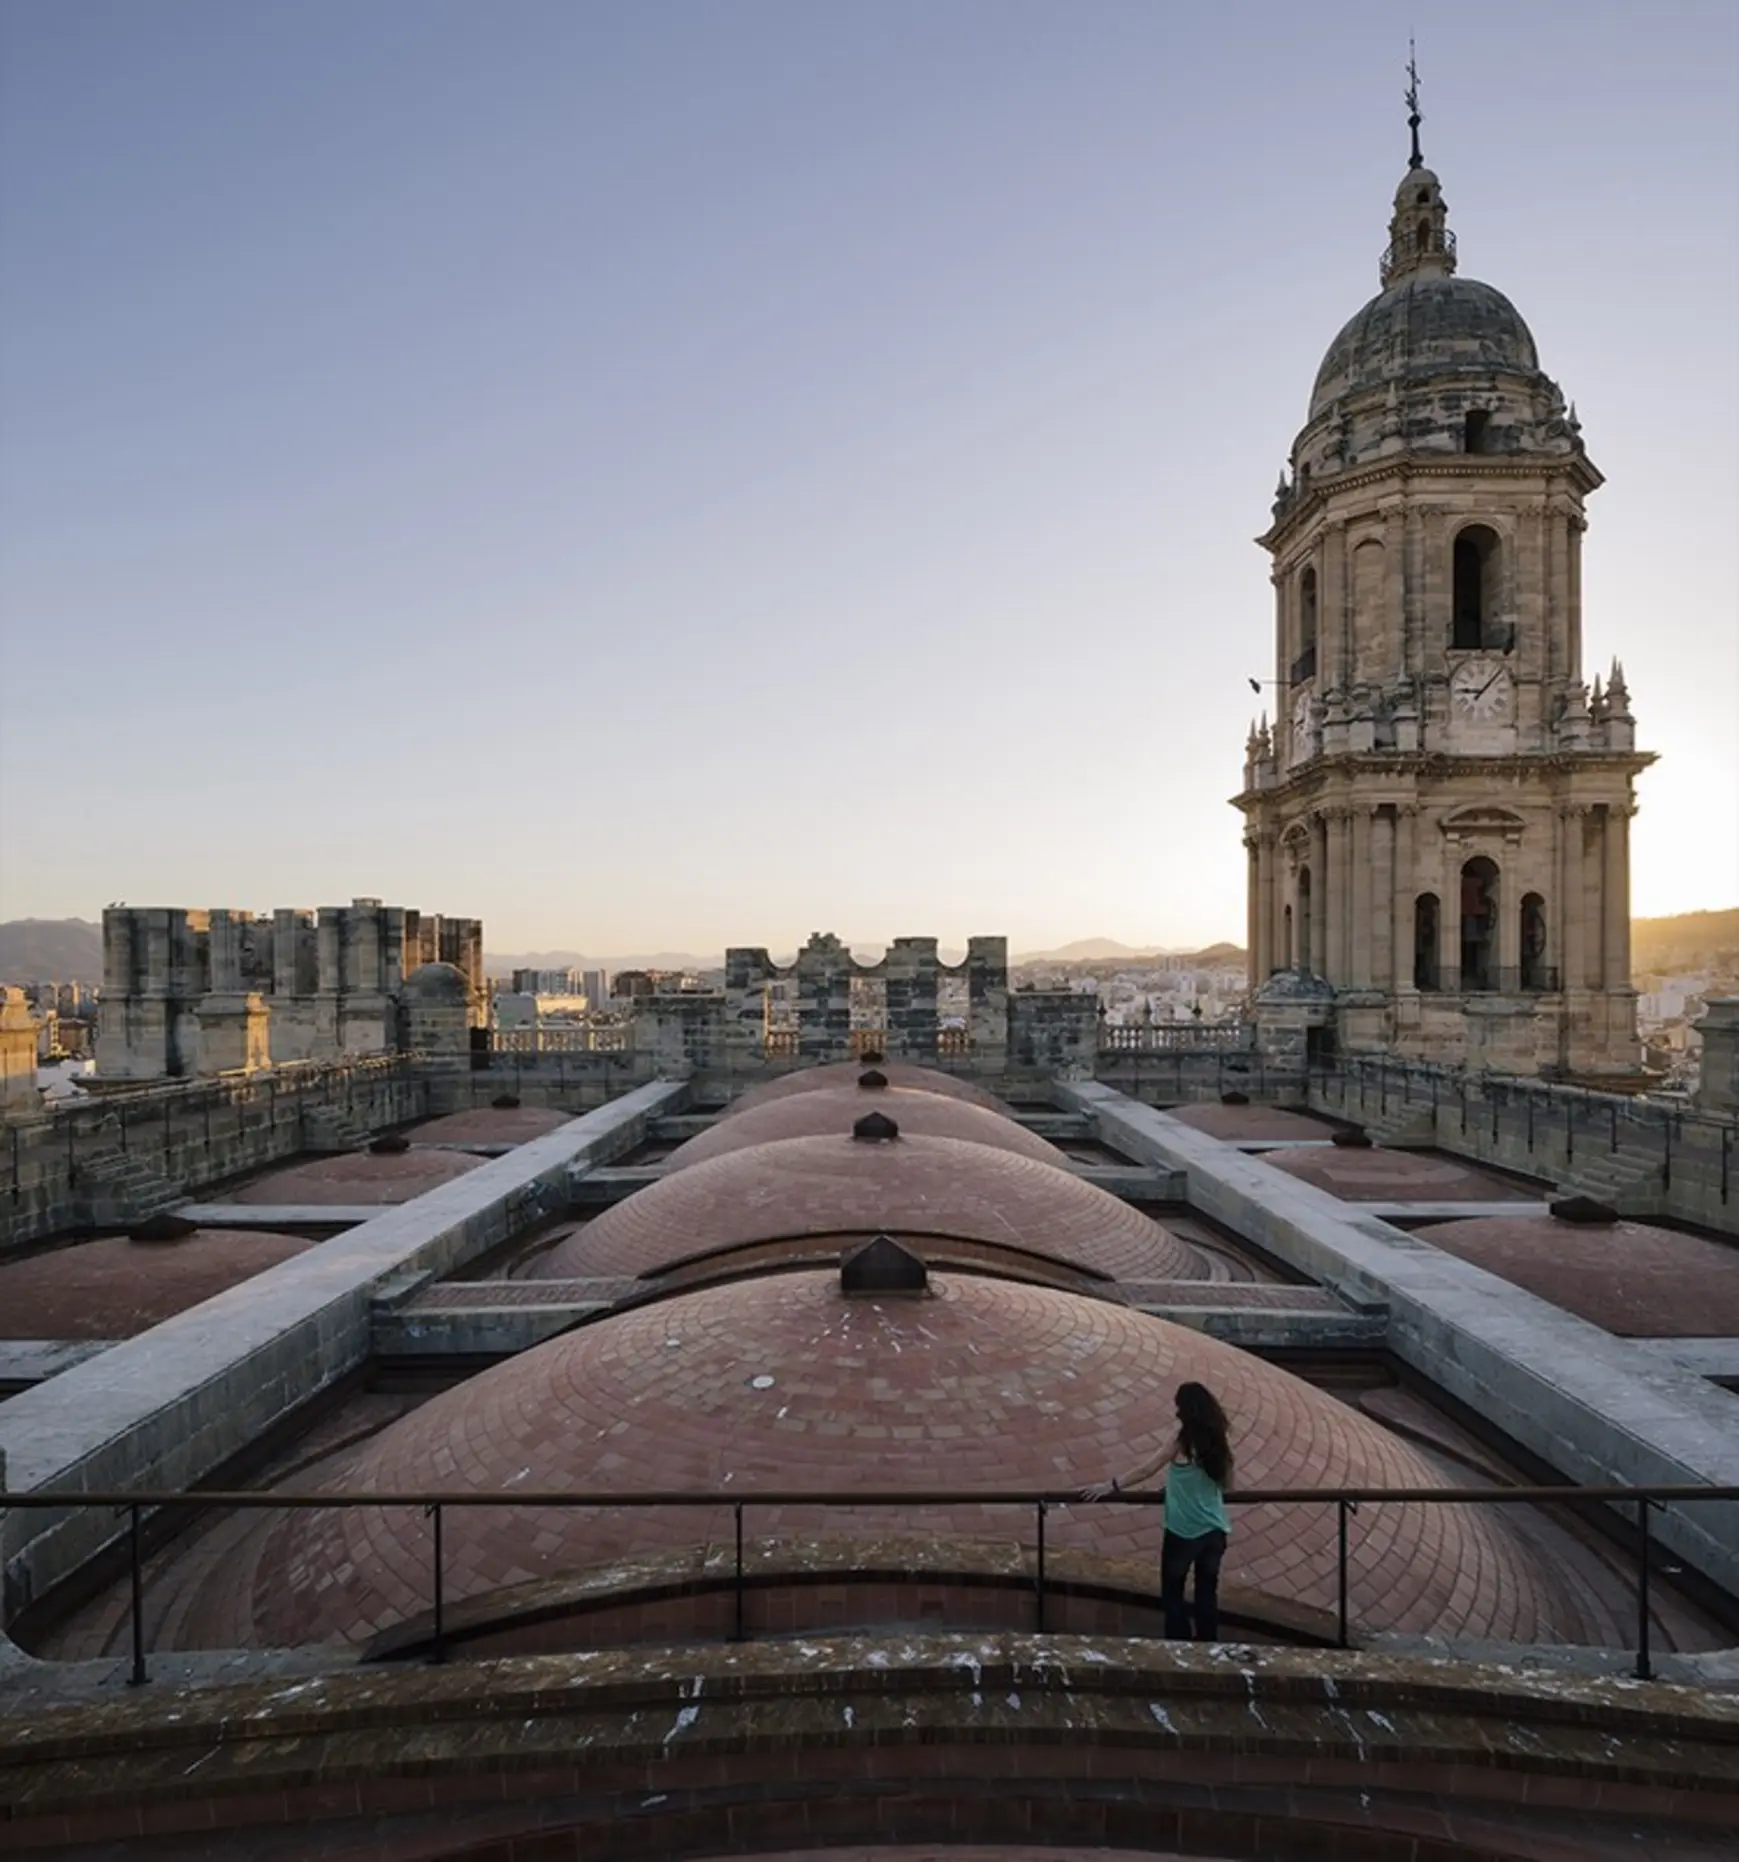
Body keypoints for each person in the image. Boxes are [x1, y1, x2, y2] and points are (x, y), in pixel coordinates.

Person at [1081, 1380, 1234, 1641]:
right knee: (1206, 1593)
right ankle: (1208, 1649)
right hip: (1215, 1531)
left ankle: (1179, 1646)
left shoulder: (1181, 1441)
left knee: (1173, 1594)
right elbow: (1227, 1486)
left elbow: (1147, 1469)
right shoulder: (1218, 1441)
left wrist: (1111, 1485)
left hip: (1183, 1532)